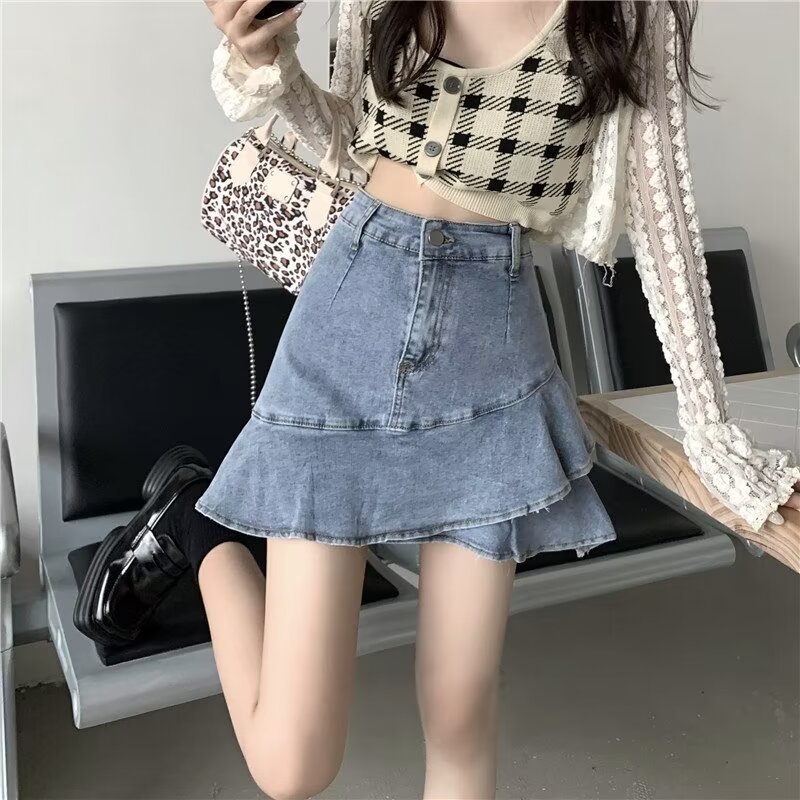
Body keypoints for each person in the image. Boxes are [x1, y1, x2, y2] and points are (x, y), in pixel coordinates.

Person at [77, 2, 800, 798]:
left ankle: (196, 512)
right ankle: (197, 521)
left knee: (459, 717)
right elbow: (345, 140)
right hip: (351, 313)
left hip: (495, 350)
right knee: (292, 766)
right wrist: (268, 61)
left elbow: (664, 224)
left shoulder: (633, 8)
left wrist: (710, 430)